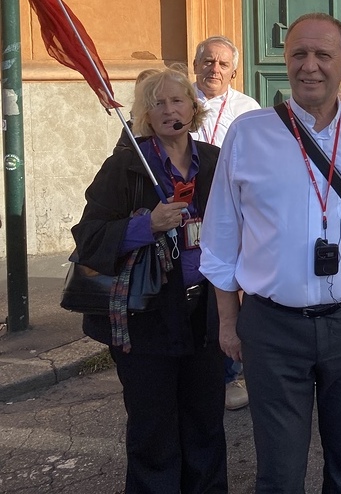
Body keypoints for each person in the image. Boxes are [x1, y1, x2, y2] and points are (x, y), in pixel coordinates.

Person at [199, 13, 341, 493]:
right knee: (278, 471)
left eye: (323, 54)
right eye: (298, 54)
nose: (310, 65)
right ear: (285, 61)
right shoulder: (248, 134)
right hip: (272, 326)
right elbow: (220, 237)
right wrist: (227, 321)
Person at [71, 67, 227, 493]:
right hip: (147, 317)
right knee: (153, 427)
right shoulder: (127, 166)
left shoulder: (214, 160)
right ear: (145, 114)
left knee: (206, 423)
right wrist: (147, 225)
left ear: (193, 108)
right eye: (157, 103)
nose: (168, 110)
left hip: (206, 312)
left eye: (177, 100)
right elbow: (88, 237)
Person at [191, 35, 261, 412]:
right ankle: (197, 369)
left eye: (222, 64)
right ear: (195, 65)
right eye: (207, 61)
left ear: (234, 71)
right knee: (195, 290)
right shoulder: (179, 101)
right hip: (187, 208)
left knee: (233, 286)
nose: (214, 69)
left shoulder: (248, 109)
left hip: (233, 208)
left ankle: (233, 372)